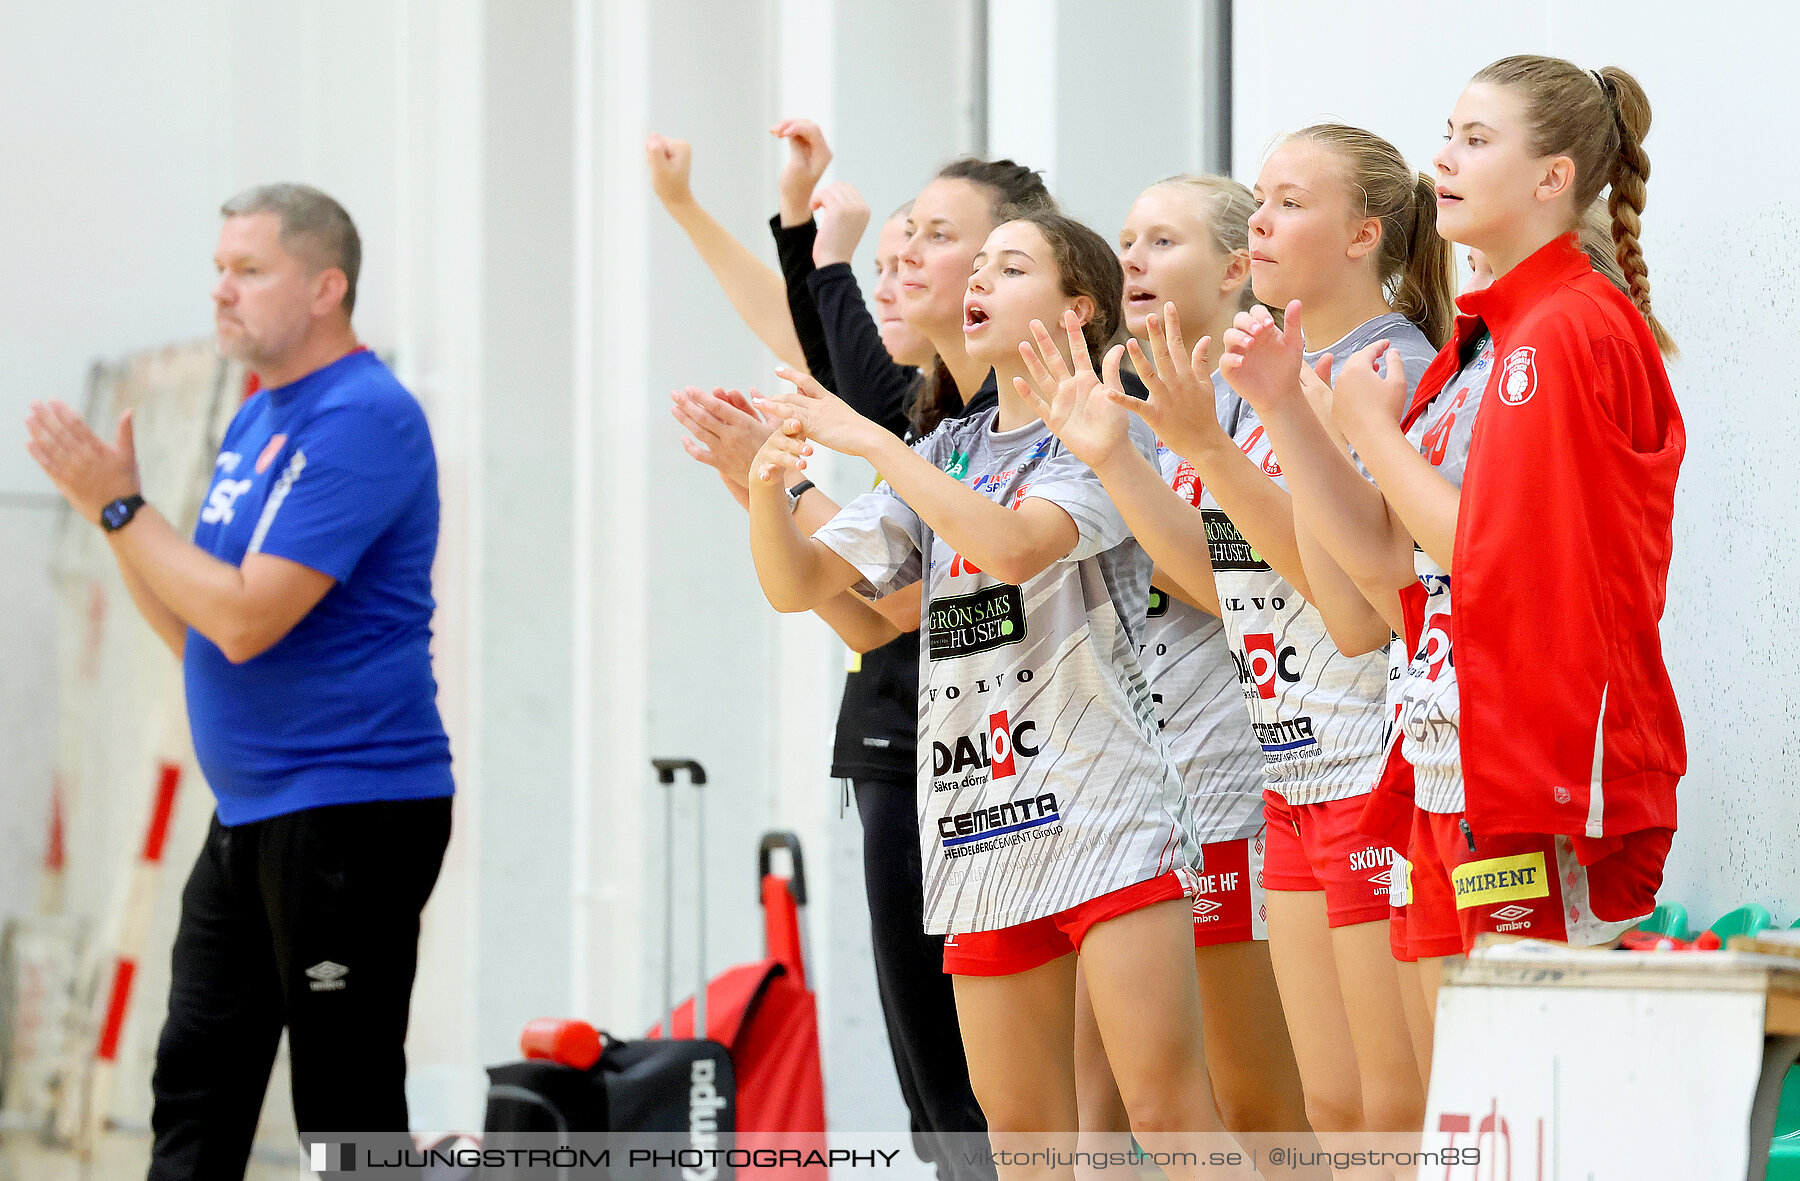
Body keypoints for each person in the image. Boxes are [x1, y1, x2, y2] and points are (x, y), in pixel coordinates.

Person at [748, 210, 1248, 1180]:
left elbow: (1018, 547)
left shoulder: (1100, 432)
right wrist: (770, 485)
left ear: (1080, 305)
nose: (978, 280)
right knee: (1021, 1138)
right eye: (976, 265)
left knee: (1167, 1110)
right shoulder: (946, 449)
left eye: (1009, 266)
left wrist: (872, 440)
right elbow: (800, 584)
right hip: (979, 829)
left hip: (1106, 814)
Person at [1018, 125, 1453, 1143]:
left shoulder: (1384, 366)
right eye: (1258, 197)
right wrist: (1133, 456)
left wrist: (1201, 441)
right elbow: (1221, 579)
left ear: (1363, 234)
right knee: (1319, 1106)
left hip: (1369, 760)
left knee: (1391, 1110)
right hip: (1291, 774)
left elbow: (1354, 606)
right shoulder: (1274, 381)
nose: (1262, 219)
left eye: (1289, 203)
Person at [25, 183, 451, 1179]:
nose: (221, 291)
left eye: (248, 269)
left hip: (352, 807)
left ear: (323, 286)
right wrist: (113, 519)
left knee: (344, 1114)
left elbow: (247, 615)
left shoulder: (364, 416)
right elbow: (196, 625)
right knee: (196, 1081)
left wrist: (125, 511)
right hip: (253, 806)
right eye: (218, 268)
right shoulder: (258, 417)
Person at [1242, 58, 1684, 995]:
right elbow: (1382, 583)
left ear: (1551, 178)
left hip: (1537, 773)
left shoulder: (1569, 327)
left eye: (1475, 141)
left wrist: (1367, 430)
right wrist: (1287, 407)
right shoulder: (1477, 340)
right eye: (1448, 135)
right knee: (1442, 1123)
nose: (1442, 158)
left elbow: (1491, 555)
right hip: (1444, 758)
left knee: (1510, 1115)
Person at [1070, 175, 1311, 1174]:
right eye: (1126, 239)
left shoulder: (1257, 409)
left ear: (1233, 269)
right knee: (1127, 1107)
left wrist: (1135, 458)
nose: (1130, 258)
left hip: (1239, 778)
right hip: (1128, 791)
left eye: (1160, 241)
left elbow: (1229, 580)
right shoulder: (1117, 397)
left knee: (1256, 1099)